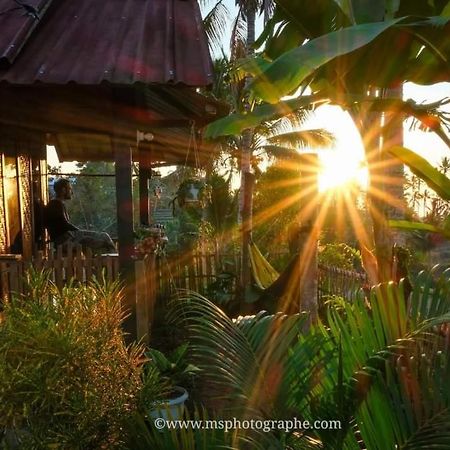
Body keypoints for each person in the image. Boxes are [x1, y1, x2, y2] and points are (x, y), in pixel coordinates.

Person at [44, 178, 116, 253]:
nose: (71, 192)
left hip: (70, 236)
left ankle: (113, 259)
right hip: (66, 240)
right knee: (104, 239)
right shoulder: (55, 204)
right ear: (63, 190)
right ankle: (117, 260)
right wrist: (79, 231)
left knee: (104, 236)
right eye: (70, 189)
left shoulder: (58, 204)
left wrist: (79, 232)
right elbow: (64, 224)